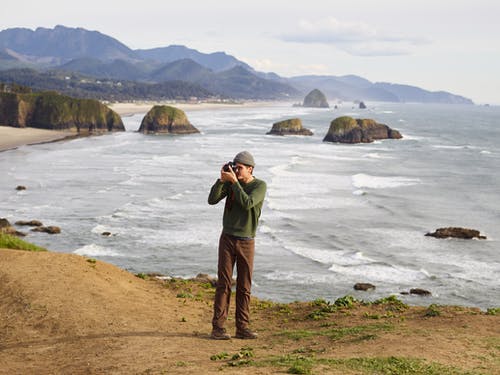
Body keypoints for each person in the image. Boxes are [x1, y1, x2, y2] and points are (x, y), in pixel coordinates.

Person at [208, 151, 267, 340]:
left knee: (244, 286)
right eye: (235, 167)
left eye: (239, 168)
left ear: (250, 169)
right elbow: (212, 199)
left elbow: (248, 203)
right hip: (227, 239)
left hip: (246, 241)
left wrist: (234, 183)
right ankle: (218, 328)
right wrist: (221, 180)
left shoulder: (259, 186)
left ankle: (242, 327)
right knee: (223, 284)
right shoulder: (232, 183)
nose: (236, 170)